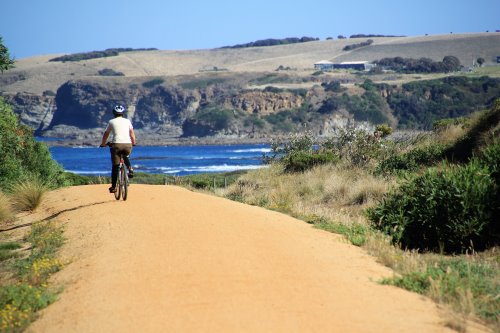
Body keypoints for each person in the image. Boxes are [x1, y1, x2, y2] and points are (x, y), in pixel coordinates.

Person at [100, 105, 136, 193]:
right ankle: (130, 168)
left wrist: (103, 143)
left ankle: (113, 187)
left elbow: (106, 134)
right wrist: (133, 142)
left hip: (116, 145)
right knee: (125, 155)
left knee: (115, 166)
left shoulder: (111, 122)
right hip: (128, 144)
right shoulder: (127, 121)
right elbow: (131, 133)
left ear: (114, 113)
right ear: (123, 113)